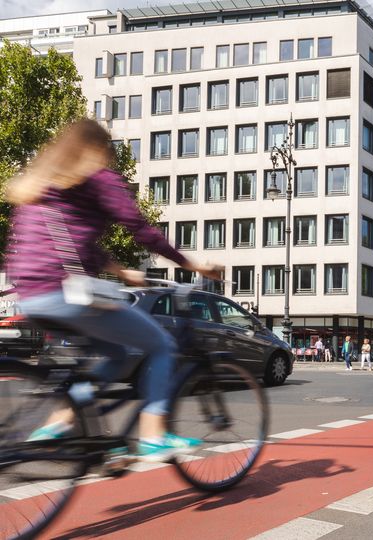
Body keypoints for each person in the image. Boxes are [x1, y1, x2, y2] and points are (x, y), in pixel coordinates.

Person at [6, 119, 221, 462]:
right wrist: (190, 263)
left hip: (32, 295)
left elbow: (76, 246)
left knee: (117, 354)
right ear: (98, 149)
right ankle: (153, 435)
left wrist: (120, 271)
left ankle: (60, 422)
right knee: (161, 345)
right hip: (67, 295)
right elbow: (140, 229)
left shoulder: (38, 187)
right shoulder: (98, 177)